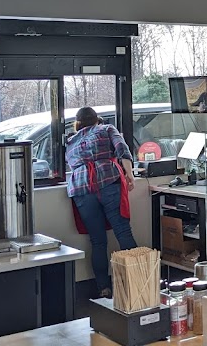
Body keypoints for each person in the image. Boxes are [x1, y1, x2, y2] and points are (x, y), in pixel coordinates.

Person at [66, 107, 137, 298]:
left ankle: (103, 288)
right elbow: (122, 150)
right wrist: (129, 174)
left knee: (97, 241)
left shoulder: (71, 141)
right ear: (97, 120)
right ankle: (137, 282)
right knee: (123, 232)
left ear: (78, 124)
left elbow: (72, 165)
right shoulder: (107, 129)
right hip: (108, 181)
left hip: (81, 188)